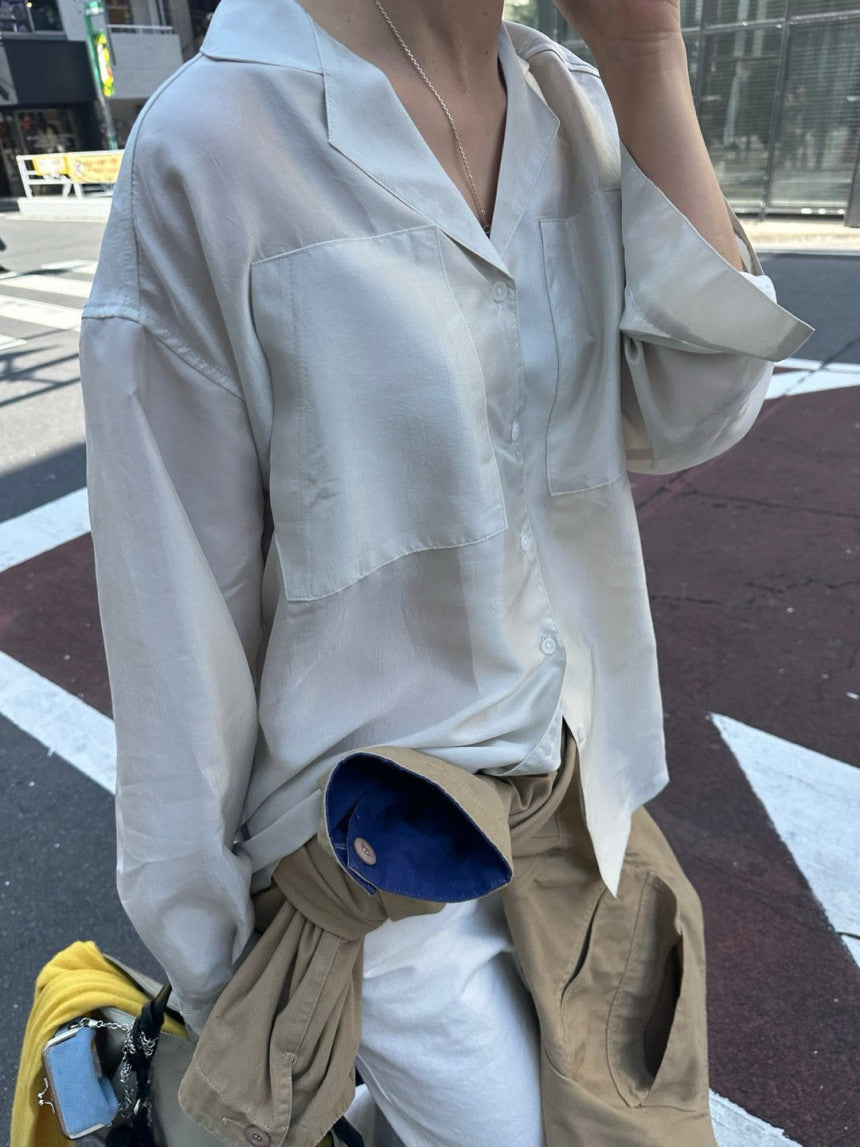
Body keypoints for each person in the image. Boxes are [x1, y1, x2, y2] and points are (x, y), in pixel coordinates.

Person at [78, 0, 812, 1144]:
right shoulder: (217, 140)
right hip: (378, 862)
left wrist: (646, 54)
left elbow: (694, 406)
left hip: (582, 793)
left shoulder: (568, 107)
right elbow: (173, 612)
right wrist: (234, 982)